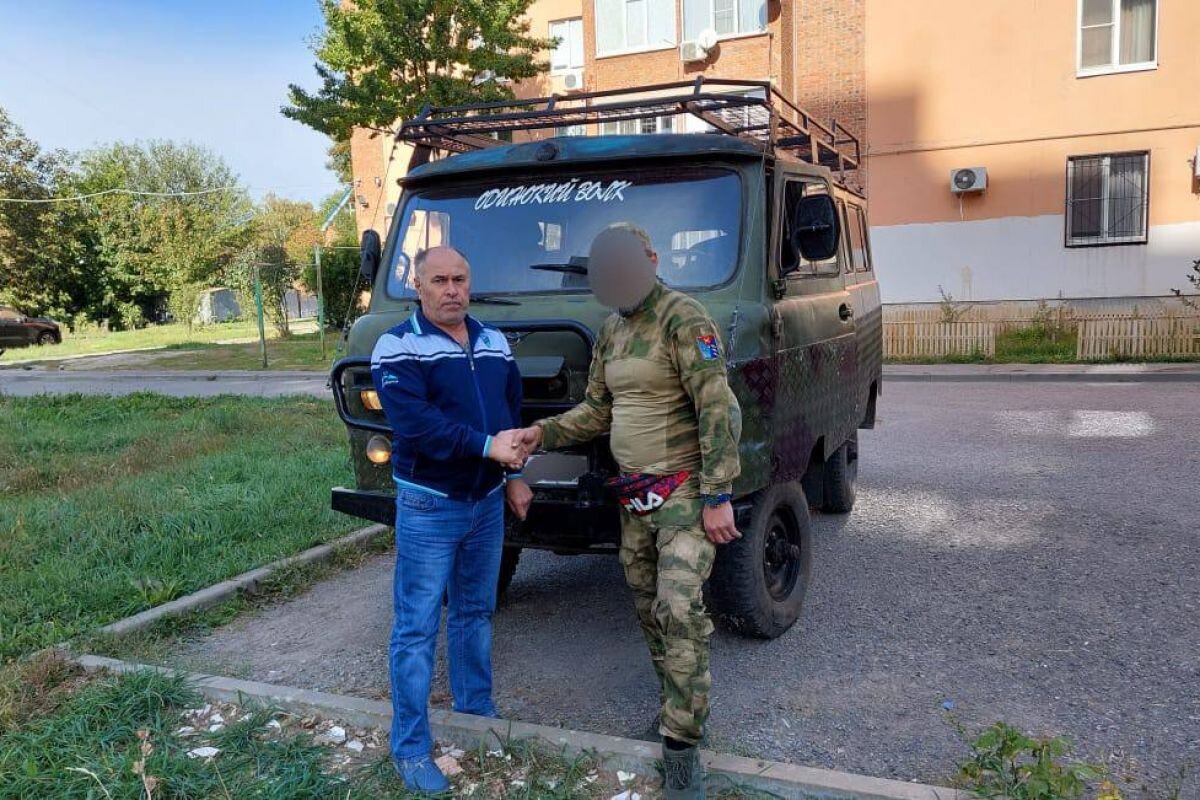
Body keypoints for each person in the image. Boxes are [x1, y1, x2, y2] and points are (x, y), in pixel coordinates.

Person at [517, 224, 742, 800]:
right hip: (635, 497)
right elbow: (596, 411)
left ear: (651, 260)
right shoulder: (611, 331)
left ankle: (683, 748)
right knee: (648, 609)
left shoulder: (684, 318)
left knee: (679, 607)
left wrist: (718, 495)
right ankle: (676, 709)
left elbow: (717, 408)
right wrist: (541, 433)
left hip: (685, 491)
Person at [370, 245, 533, 794]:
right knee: (416, 627)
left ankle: (476, 713)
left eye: (460, 279)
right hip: (429, 504)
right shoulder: (397, 346)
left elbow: (511, 412)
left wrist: (514, 475)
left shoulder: (494, 342)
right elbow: (417, 426)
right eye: (438, 280)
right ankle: (410, 748)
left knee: (475, 612)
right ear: (417, 285)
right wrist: (489, 448)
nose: (451, 290)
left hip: (486, 501)